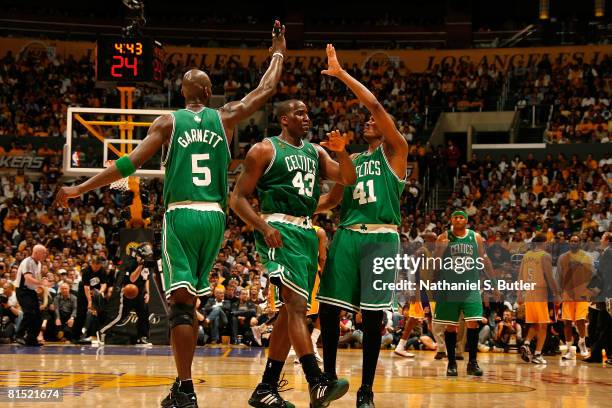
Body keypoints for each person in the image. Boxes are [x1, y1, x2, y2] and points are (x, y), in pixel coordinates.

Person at [55, 19, 287, 408]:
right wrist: (278, 49)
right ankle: (183, 388)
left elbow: (127, 164)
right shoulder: (225, 116)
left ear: (182, 93)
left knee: (181, 304)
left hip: (180, 215)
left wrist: (79, 187)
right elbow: (265, 89)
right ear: (210, 93)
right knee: (192, 300)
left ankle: (185, 388)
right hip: (214, 218)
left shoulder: (167, 121)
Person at [230, 98, 356, 408]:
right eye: (299, 112)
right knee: (297, 306)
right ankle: (317, 382)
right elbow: (238, 199)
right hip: (278, 229)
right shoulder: (264, 150)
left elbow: (346, 180)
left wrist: (341, 150)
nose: (307, 117)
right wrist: (262, 226)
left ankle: (266, 387)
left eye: (307, 112)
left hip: (306, 232)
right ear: (283, 119)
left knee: (289, 312)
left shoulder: (317, 152)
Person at [314, 44, 409, 408]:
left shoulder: (396, 152)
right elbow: (333, 201)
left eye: (374, 122)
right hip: (347, 236)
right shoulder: (351, 160)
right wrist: (303, 211)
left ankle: (366, 390)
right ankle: (327, 379)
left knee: (371, 318)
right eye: (366, 122)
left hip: (381, 240)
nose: (368, 121)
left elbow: (376, 106)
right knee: (328, 308)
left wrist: (340, 75)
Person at [432, 210, 493, 377]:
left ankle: (472, 363)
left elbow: (484, 260)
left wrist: (493, 283)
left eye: (461, 217)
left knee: (473, 322)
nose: (458, 219)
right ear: (451, 220)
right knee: (451, 326)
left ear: (466, 221)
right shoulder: (443, 238)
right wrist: (441, 250)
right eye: (455, 217)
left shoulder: (476, 237)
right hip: (450, 288)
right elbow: (435, 265)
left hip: (470, 286)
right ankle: (451, 363)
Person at [98, 243, 153, 346]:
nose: (149, 258)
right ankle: (102, 331)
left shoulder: (147, 263)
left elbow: (147, 279)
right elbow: (132, 279)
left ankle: (142, 338)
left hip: (140, 293)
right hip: (128, 293)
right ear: (141, 255)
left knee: (144, 314)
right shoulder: (131, 263)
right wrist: (140, 265)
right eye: (147, 256)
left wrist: (147, 293)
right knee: (119, 316)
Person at [518, 232, 560, 364]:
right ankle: (537, 354)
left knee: (535, 323)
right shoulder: (545, 256)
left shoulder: (526, 255)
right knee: (543, 326)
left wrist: (519, 294)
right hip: (541, 292)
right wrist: (556, 293)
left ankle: (526, 343)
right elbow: (549, 276)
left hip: (528, 292)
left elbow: (520, 276)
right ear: (544, 243)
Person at [395, 232, 437, 358]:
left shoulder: (430, 253)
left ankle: (441, 346)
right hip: (419, 290)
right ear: (428, 240)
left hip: (427, 290)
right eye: (434, 240)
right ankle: (400, 346)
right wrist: (412, 291)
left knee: (430, 318)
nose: (436, 243)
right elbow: (411, 271)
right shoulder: (421, 252)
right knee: (415, 318)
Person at [558, 235, 593, 360]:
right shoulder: (563, 257)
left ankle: (582, 344)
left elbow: (591, 275)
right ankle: (569, 350)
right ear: (569, 242)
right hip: (567, 294)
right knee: (567, 323)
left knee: (580, 320)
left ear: (580, 243)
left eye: (576, 241)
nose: (574, 242)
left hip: (582, 293)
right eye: (572, 241)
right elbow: (560, 276)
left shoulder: (586, 257)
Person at [14, 244, 47, 346]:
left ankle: (31, 339)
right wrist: (42, 283)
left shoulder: (39, 263)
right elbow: (28, 278)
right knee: (29, 313)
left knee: (37, 316)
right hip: (22, 290)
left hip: (31, 291)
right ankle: (19, 335)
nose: (45, 254)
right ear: (36, 252)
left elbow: (36, 279)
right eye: (43, 253)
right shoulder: (27, 262)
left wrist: (41, 285)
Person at [71, 255, 108, 344]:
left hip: (96, 292)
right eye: (95, 266)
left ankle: (100, 334)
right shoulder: (86, 271)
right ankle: (75, 337)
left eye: (98, 267)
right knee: (81, 314)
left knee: (100, 313)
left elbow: (104, 284)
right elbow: (86, 287)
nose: (96, 268)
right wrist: (90, 301)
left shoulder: (102, 271)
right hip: (84, 292)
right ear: (92, 264)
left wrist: (99, 293)